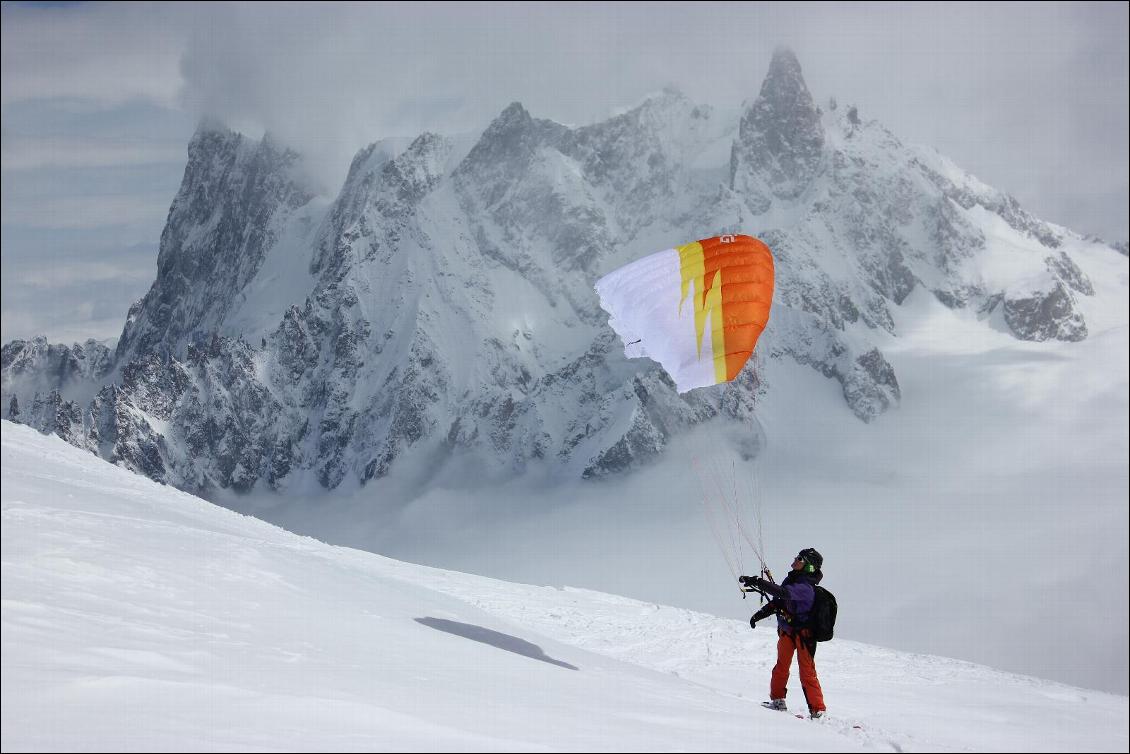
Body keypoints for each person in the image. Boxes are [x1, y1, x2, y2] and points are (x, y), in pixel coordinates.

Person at [740, 548, 826, 719]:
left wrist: (758, 581)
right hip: (787, 631)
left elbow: (782, 593)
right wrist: (758, 615)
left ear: (809, 566)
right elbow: (779, 602)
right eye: (796, 556)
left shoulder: (806, 587)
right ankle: (778, 700)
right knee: (781, 666)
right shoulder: (792, 580)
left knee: (806, 672)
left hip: (804, 635)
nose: (795, 559)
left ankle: (818, 710)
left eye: (800, 558)